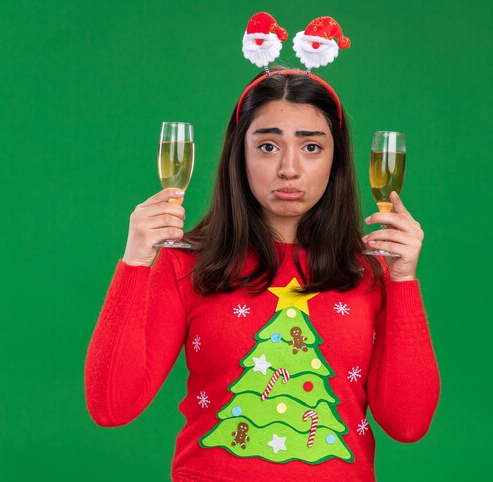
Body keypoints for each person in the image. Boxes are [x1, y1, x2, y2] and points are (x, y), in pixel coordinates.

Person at [84, 68, 440, 481]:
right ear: (240, 154)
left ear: (336, 160)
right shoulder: (187, 265)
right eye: (268, 146)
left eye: (311, 147)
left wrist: (404, 283)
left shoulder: (369, 270)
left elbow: (408, 424)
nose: (289, 168)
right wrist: (134, 263)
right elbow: (111, 406)